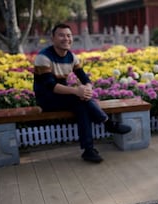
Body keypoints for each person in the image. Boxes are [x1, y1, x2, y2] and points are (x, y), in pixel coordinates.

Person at [33, 23, 131, 163]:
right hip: (46, 99)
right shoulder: (43, 57)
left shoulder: (72, 57)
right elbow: (51, 86)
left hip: (65, 97)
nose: (66, 38)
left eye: (68, 35)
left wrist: (88, 89)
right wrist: (76, 91)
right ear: (53, 38)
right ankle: (108, 124)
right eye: (61, 35)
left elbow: (85, 78)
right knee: (79, 100)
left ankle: (89, 150)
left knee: (82, 104)